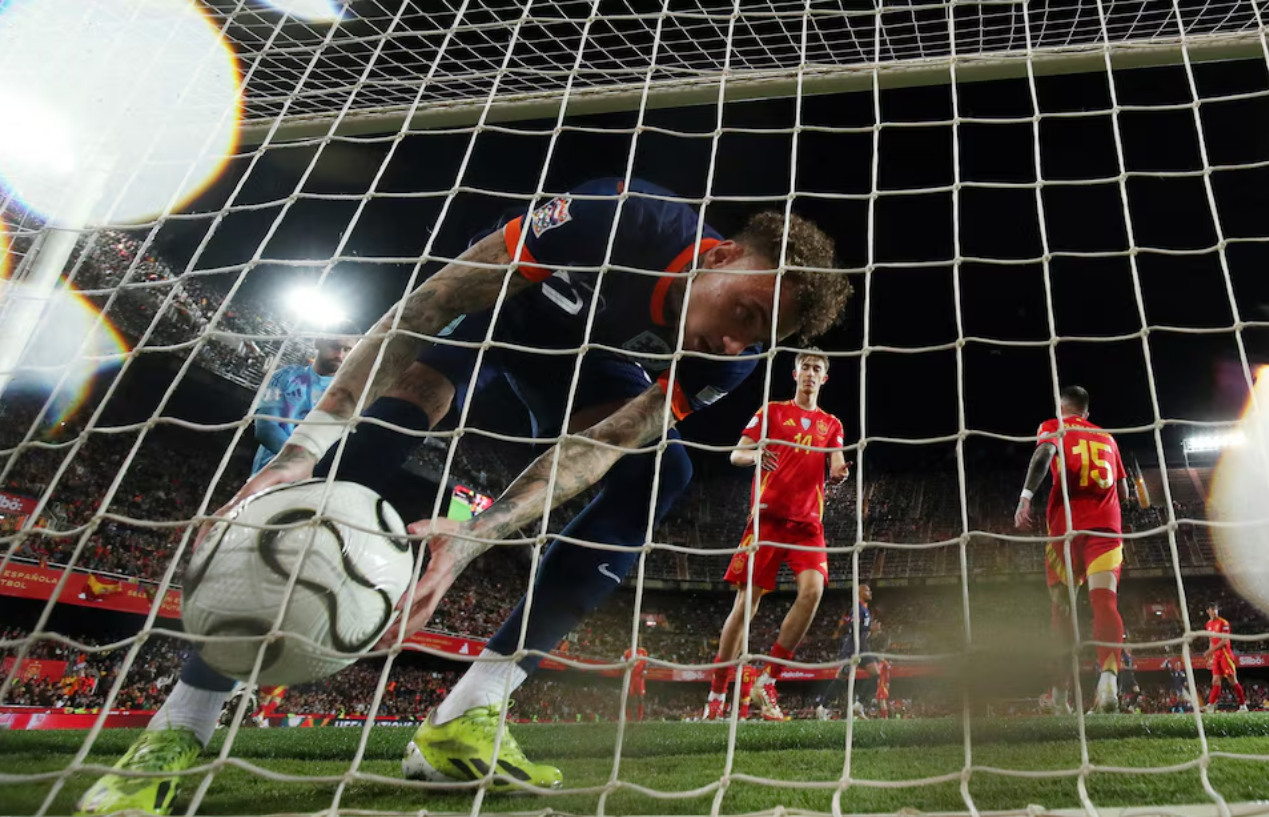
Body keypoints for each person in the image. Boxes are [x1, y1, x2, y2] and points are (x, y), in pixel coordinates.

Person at [78, 177, 850, 813]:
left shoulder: (729, 363)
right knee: (394, 417)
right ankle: (179, 729)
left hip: (577, 371)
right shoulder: (620, 220)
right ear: (715, 256)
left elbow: (603, 443)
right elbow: (428, 307)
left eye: (756, 337)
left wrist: (476, 533)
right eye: (742, 312)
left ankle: (467, 713)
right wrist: (301, 450)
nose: (733, 342)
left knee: (662, 469)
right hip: (492, 320)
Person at [703, 349, 848, 721]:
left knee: (813, 591)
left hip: (807, 525)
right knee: (744, 606)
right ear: (795, 373)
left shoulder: (831, 424)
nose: (811, 374)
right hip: (766, 521)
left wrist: (839, 472)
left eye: (818, 369)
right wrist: (757, 454)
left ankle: (769, 678)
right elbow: (737, 455)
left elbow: (835, 463)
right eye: (805, 368)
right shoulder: (772, 412)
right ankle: (716, 696)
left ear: (824, 378)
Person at [1014, 385, 1129, 715]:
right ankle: (1108, 682)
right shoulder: (1108, 438)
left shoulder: (1054, 426)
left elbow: (1043, 455)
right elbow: (1122, 489)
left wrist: (1025, 496)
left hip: (1066, 528)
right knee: (1104, 601)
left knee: (1062, 611)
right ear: (1087, 412)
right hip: (1106, 527)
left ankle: (1060, 695)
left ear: (1061, 407)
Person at [252, 330, 357, 473]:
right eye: (334, 346)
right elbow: (265, 427)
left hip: (309, 482)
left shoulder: (348, 395)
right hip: (269, 472)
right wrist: (301, 462)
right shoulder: (285, 376)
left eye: (347, 350)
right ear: (318, 342)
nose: (340, 355)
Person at [814, 583, 874, 720]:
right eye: (866, 590)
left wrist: (870, 632)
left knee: (875, 673)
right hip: (853, 647)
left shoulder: (865, 609)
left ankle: (860, 705)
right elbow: (854, 628)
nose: (870, 592)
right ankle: (823, 707)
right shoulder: (857, 608)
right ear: (859, 592)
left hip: (863, 647)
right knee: (841, 677)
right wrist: (870, 630)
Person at [1203, 601, 1248, 713]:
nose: (1214, 611)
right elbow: (1211, 641)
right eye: (1212, 609)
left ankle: (1243, 706)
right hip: (1217, 656)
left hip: (1225, 655)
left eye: (1216, 609)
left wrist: (1210, 651)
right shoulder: (1208, 624)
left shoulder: (1224, 623)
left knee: (1232, 680)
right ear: (1208, 611)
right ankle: (1211, 705)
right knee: (1215, 681)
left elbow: (1224, 641)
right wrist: (1211, 656)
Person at [622, 645, 649, 722]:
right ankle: (628, 717)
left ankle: (640, 717)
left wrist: (645, 670)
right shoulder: (627, 652)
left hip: (639, 678)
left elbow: (646, 662)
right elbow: (623, 663)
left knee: (641, 698)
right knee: (630, 698)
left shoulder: (643, 651)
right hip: (631, 678)